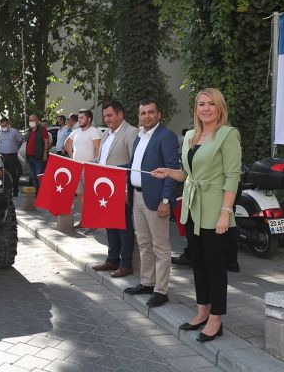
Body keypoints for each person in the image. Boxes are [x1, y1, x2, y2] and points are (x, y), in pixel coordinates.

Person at [152, 88, 241, 342]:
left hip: (215, 210)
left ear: (220, 107)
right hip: (191, 208)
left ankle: (216, 319)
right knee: (198, 263)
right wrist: (169, 172)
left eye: (211, 104)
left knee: (215, 266)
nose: (206, 108)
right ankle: (202, 311)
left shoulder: (228, 135)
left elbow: (232, 176)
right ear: (196, 108)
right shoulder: (191, 135)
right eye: (201, 104)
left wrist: (226, 213)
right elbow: (189, 174)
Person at [124, 99, 179, 308]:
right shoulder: (139, 137)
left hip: (156, 200)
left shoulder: (166, 136)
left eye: (151, 112)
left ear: (159, 115)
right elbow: (134, 166)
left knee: (160, 246)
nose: (147, 116)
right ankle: (147, 282)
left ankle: (161, 290)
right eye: (143, 113)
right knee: (144, 243)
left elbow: (172, 169)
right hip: (137, 196)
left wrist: (166, 200)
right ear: (139, 116)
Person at [91, 101, 139, 277]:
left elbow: (134, 163)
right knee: (110, 224)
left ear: (120, 115)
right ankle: (112, 260)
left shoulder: (131, 132)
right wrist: (87, 164)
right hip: (106, 188)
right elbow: (102, 160)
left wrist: (127, 189)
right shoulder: (106, 134)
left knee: (124, 226)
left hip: (122, 187)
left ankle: (126, 264)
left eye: (110, 115)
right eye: (105, 116)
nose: (107, 119)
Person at [64, 109, 101, 228]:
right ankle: (85, 220)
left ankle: (93, 221)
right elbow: (66, 143)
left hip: (89, 168)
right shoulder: (76, 131)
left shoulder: (94, 131)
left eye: (82, 118)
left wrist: (93, 164)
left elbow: (98, 149)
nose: (79, 119)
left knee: (90, 196)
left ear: (89, 119)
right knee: (80, 195)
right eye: (79, 117)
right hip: (77, 167)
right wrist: (72, 157)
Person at [0, 118, 22, 197]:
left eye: (5, 125)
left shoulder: (14, 132)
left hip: (12, 155)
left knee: (13, 174)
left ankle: (15, 191)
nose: (3, 127)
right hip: (3, 155)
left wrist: (15, 148)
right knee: (4, 174)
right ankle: (7, 191)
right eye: (2, 125)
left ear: (8, 124)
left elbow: (20, 141)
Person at [25, 114, 49, 190]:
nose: (31, 122)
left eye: (33, 120)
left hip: (38, 157)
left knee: (39, 176)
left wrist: (45, 154)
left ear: (37, 121)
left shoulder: (42, 129)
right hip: (30, 157)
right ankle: (37, 192)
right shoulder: (29, 130)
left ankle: (41, 193)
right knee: (33, 176)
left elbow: (46, 142)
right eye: (30, 120)